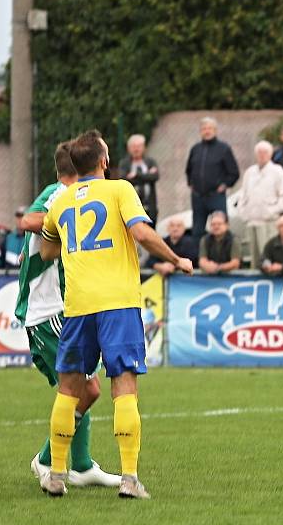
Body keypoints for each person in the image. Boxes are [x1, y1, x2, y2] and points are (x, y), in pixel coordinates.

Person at [39, 129, 194, 498]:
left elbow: (46, 252)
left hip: (77, 306)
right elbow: (141, 233)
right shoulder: (120, 189)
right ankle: (129, 479)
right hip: (118, 304)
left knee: (68, 389)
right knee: (124, 386)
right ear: (104, 161)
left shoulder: (60, 204)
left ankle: (56, 475)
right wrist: (175, 258)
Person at [17, 141, 120, 490]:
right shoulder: (61, 193)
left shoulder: (71, 196)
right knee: (86, 388)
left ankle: (81, 464)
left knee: (82, 384)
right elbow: (29, 219)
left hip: (64, 308)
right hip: (45, 312)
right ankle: (47, 459)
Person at [237, 140, 283, 267]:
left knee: (267, 257)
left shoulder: (277, 171)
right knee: (253, 259)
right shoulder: (250, 172)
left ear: (270, 154)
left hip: (268, 223)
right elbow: (242, 195)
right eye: (259, 152)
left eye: (265, 152)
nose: (262, 155)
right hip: (251, 222)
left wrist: (270, 212)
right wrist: (243, 213)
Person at [185, 116, 240, 241]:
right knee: (197, 231)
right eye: (204, 128)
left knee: (221, 230)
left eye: (209, 128)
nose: (207, 131)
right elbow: (188, 170)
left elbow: (234, 173)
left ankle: (224, 259)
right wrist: (191, 183)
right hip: (198, 197)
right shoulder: (195, 149)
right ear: (200, 131)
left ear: (215, 130)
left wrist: (225, 185)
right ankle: (199, 260)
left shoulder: (224, 148)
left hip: (216, 196)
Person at [118, 134, 159, 226]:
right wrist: (147, 175)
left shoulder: (150, 162)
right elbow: (124, 180)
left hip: (150, 207)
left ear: (144, 147)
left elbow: (155, 177)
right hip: (132, 208)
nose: (136, 149)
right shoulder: (124, 164)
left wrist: (136, 175)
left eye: (139, 146)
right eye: (133, 147)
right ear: (129, 148)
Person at [199, 211, 242, 275]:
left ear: (227, 225)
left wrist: (218, 267)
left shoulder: (234, 240)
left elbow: (235, 263)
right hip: (210, 276)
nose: (216, 227)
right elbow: (202, 261)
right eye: (213, 224)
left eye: (219, 224)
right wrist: (207, 266)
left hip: (231, 276)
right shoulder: (204, 239)